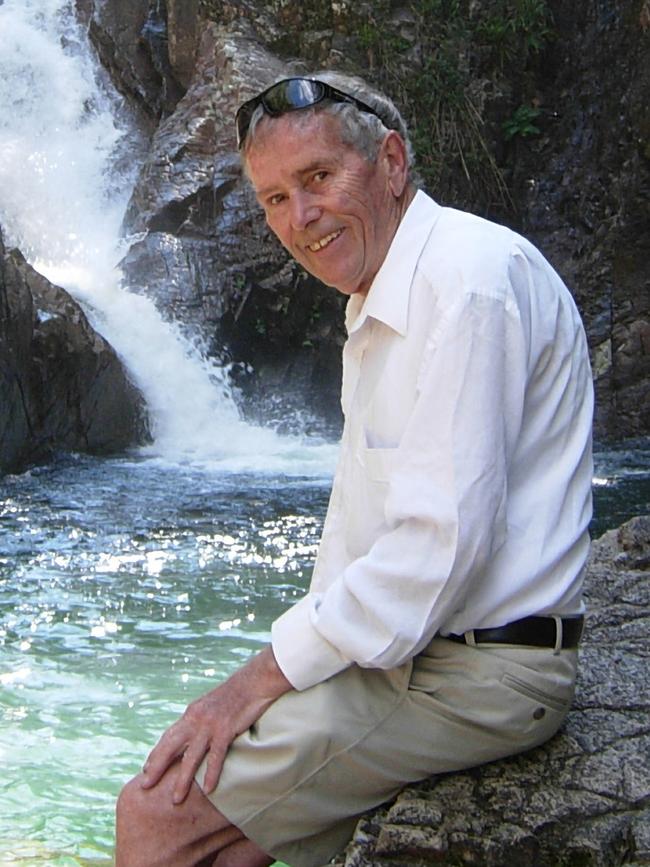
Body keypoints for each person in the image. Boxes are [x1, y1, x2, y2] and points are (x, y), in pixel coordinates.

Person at [115, 72, 594, 867]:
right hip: (429, 654)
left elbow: (435, 549)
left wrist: (256, 681)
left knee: (157, 812)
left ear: (393, 163)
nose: (300, 219)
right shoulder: (394, 293)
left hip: (478, 673)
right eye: (274, 199)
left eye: (318, 179)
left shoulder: (465, 284)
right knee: (230, 845)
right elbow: (372, 540)